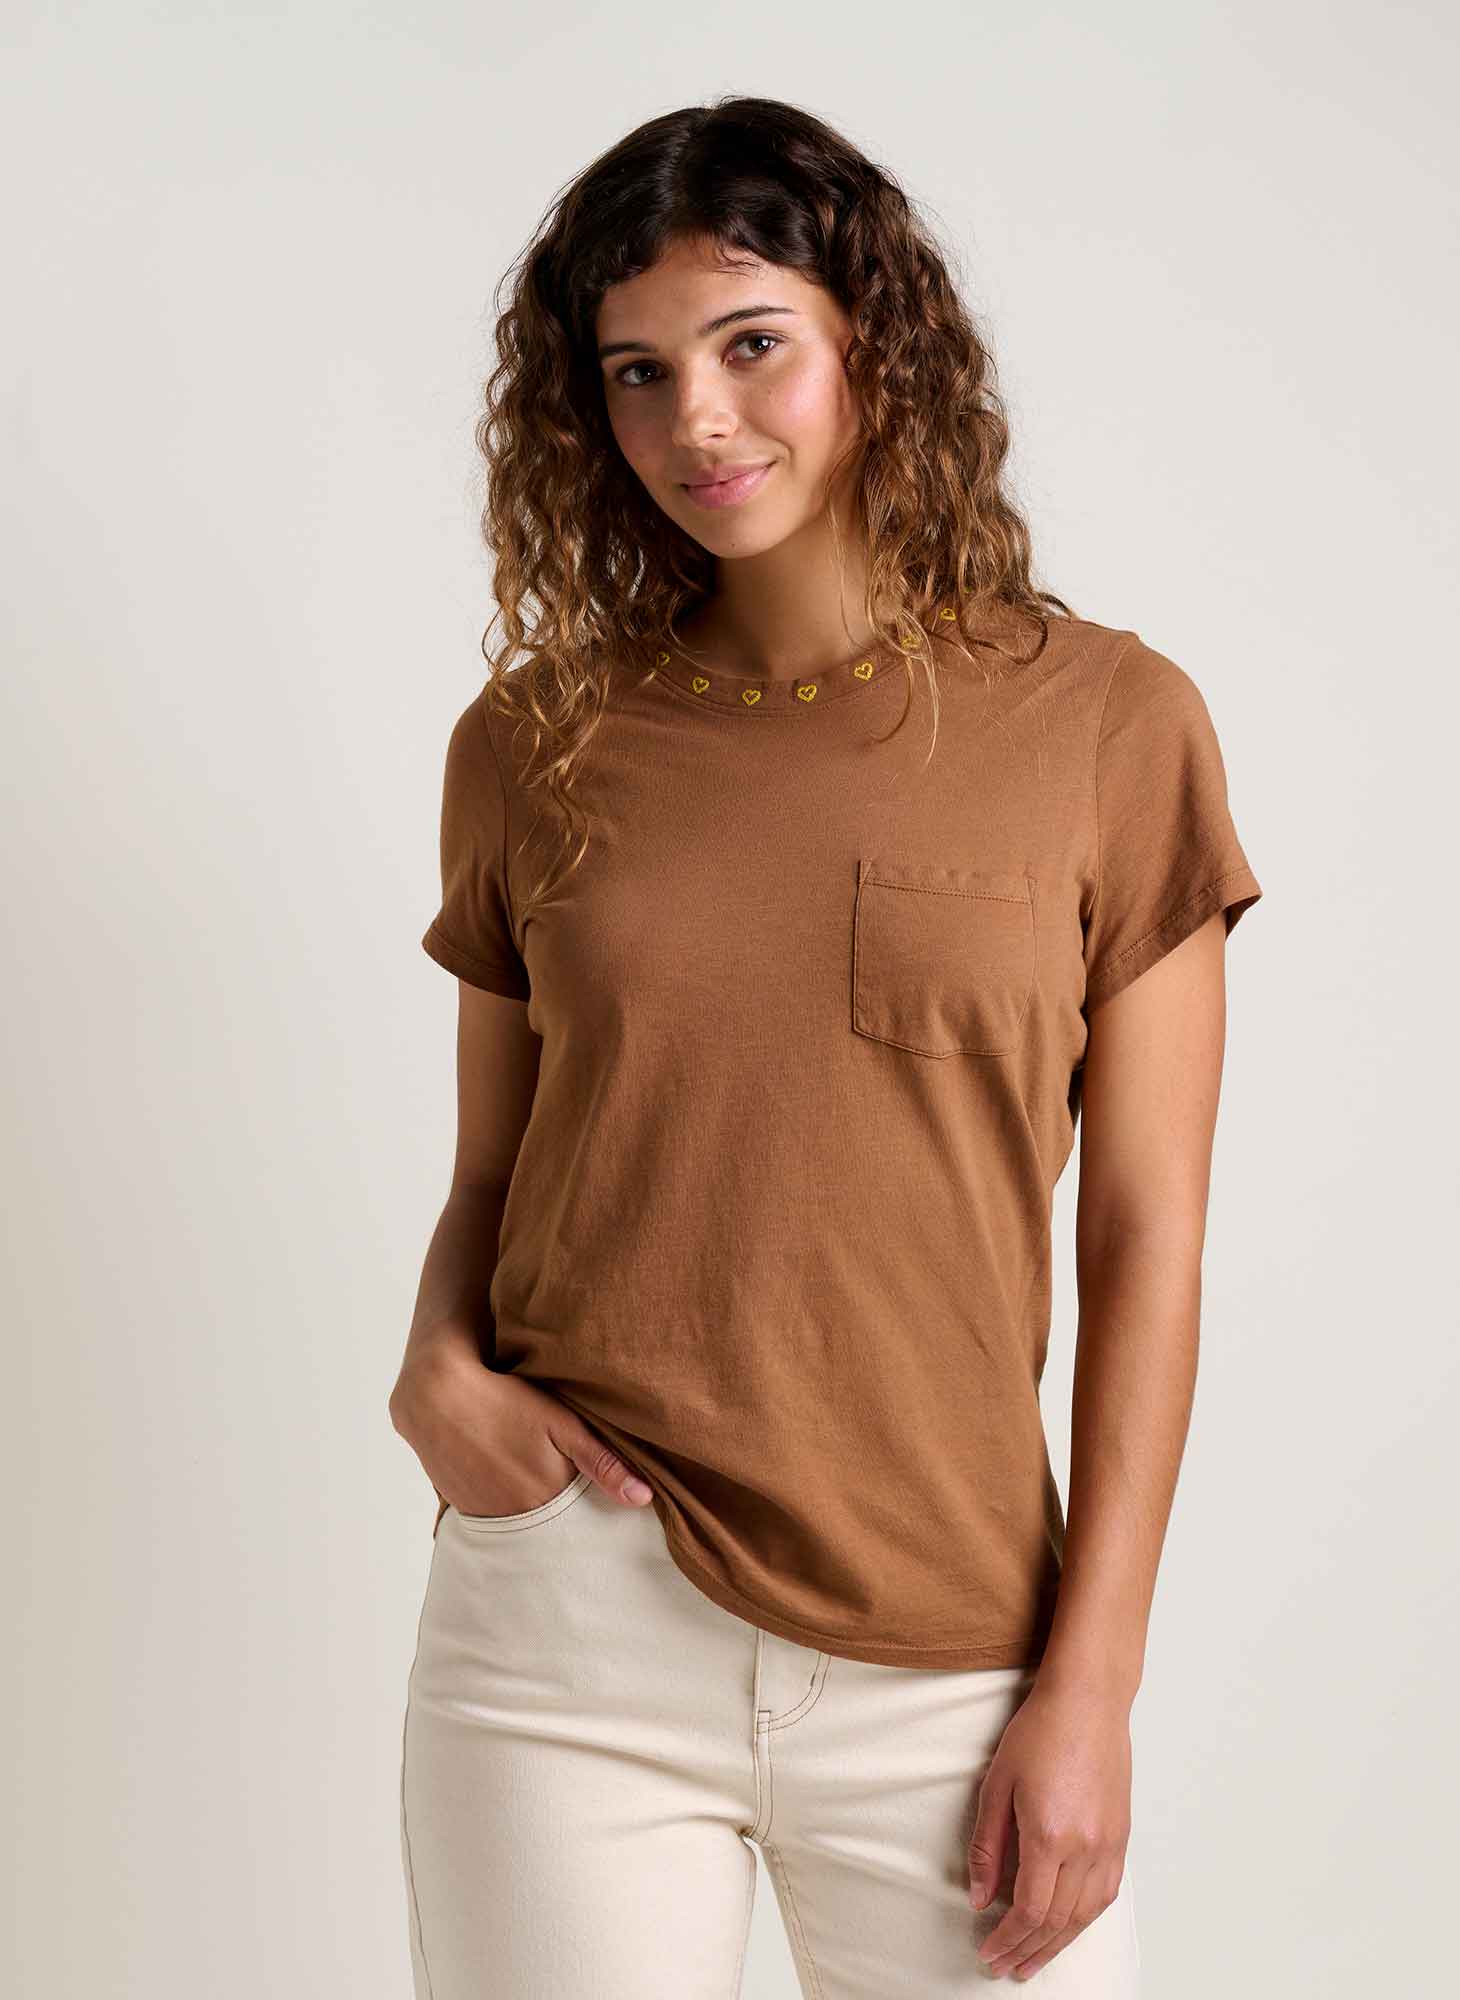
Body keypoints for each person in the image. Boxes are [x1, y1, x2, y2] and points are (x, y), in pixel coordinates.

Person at [389, 94, 1263, 1998]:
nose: (695, 421)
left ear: (879, 340)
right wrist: (434, 1368)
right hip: (570, 1632)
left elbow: (1147, 1240)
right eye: (636, 371)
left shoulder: (1109, 725)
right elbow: (496, 1170)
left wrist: (1094, 1686)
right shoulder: (533, 745)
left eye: (750, 344)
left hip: (956, 1654)